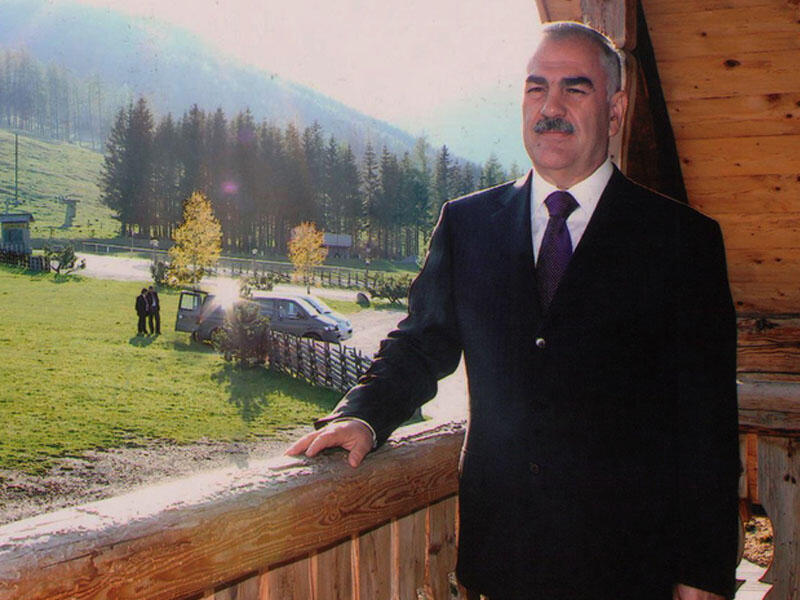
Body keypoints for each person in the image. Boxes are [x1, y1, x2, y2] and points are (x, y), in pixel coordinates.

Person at [287, 22, 739, 600]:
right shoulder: (468, 224)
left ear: (616, 109)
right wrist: (363, 416)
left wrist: (702, 573)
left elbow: (706, 422)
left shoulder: (681, 241)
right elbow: (422, 342)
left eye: (575, 88)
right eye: (536, 88)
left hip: (629, 570)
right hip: (502, 564)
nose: (551, 107)